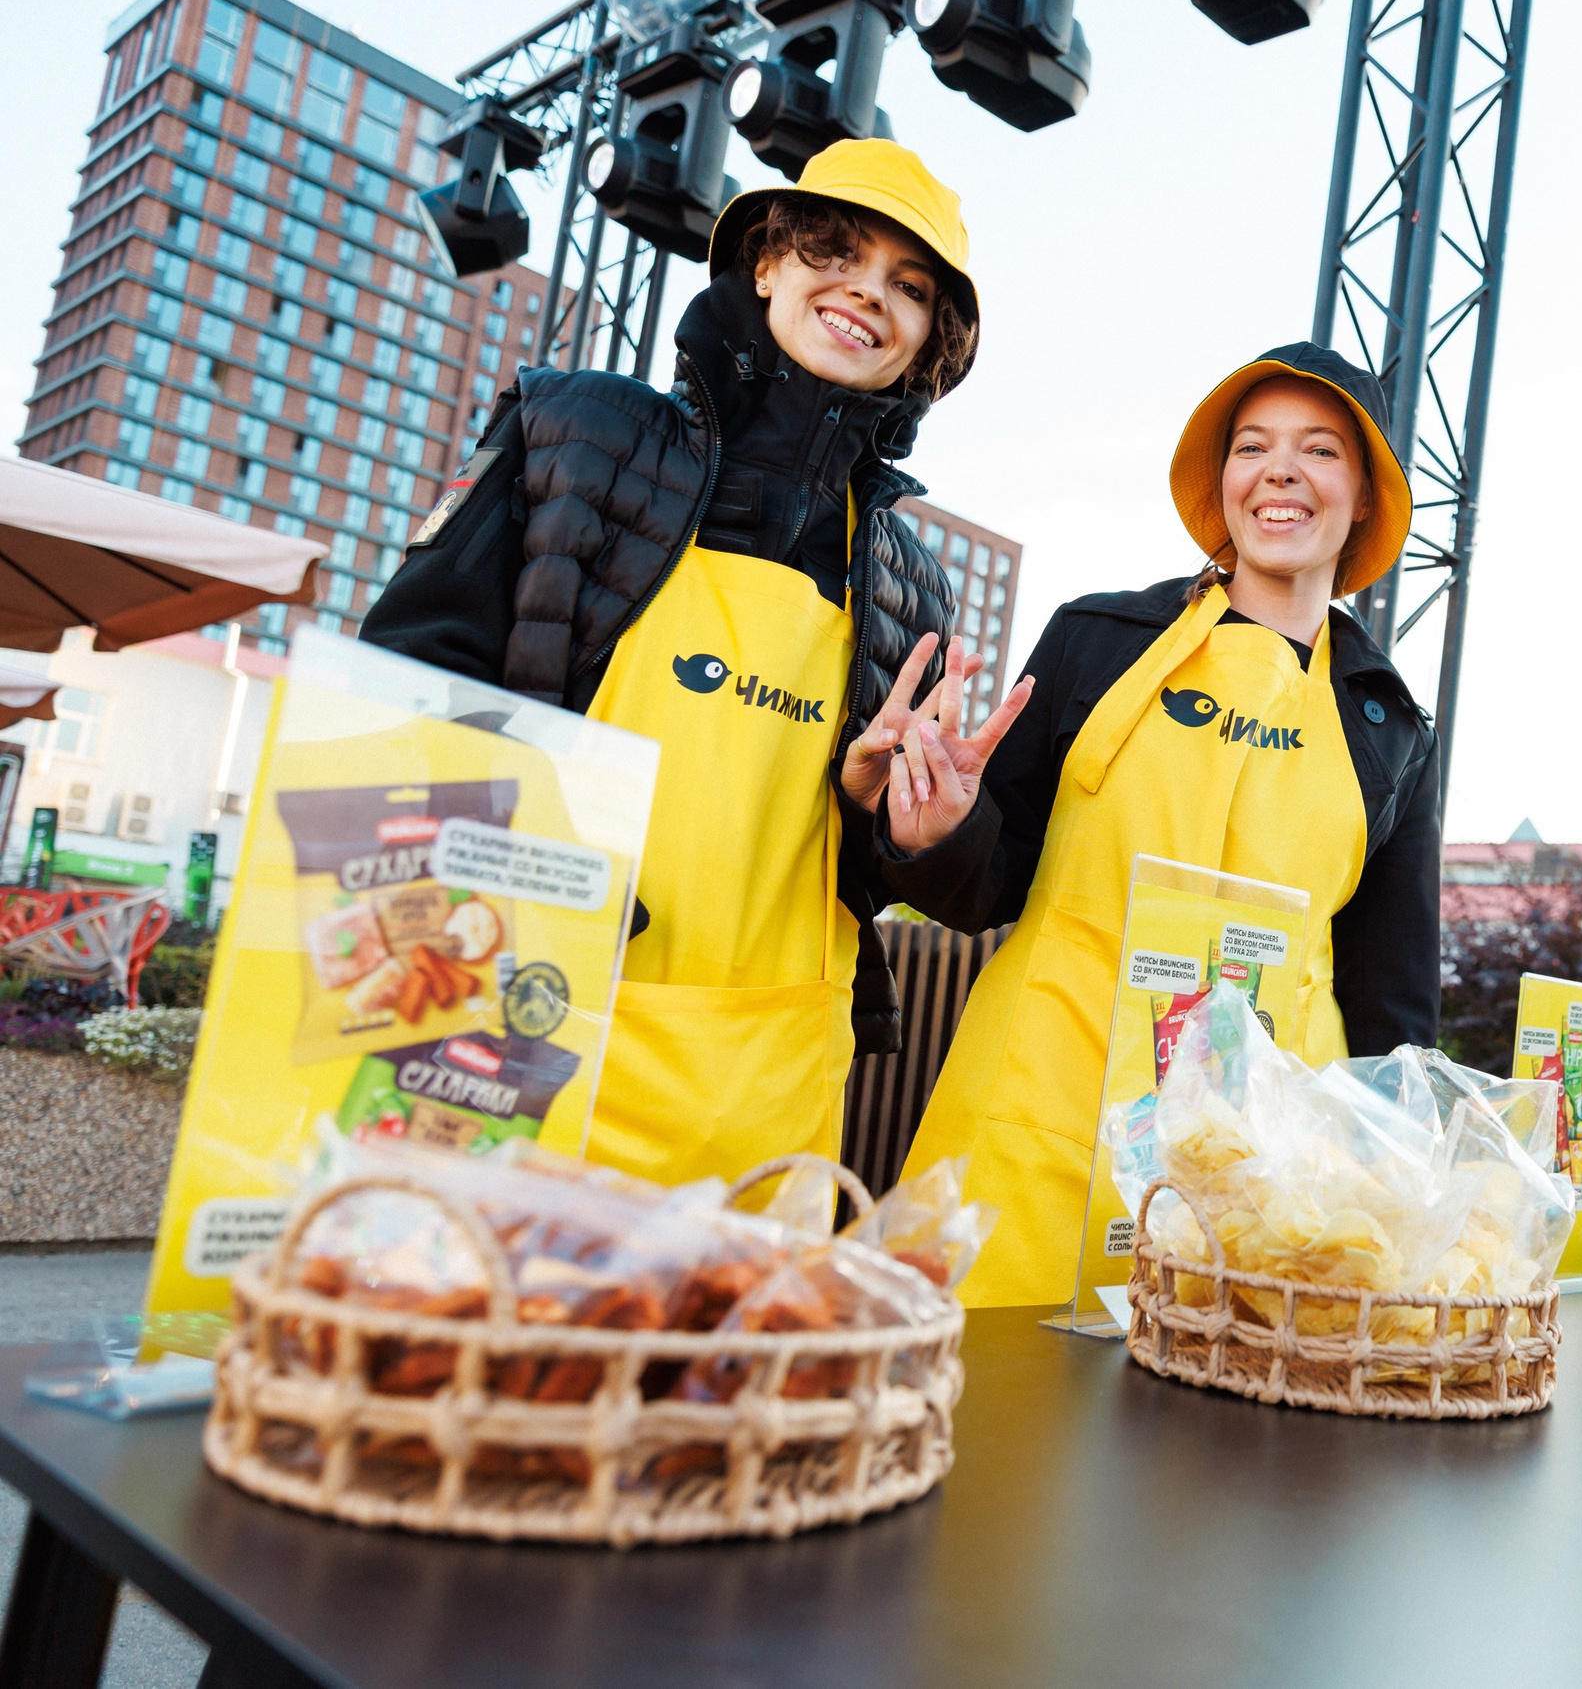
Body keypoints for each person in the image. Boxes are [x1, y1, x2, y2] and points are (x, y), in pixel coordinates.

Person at [363, 139, 1012, 1186]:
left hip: (773, 1084)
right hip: (527, 1021)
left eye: (909, 287)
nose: (865, 295)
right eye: (833, 253)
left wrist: (893, 821)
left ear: (929, 338)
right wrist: (527, 891)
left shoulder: (912, 586)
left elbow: (867, 876)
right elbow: (411, 681)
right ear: (764, 263)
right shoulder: (573, 434)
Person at [865, 344, 1442, 1306]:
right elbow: (986, 883)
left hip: (1268, 1173)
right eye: (1252, 445)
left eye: (1321, 449)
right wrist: (939, 832)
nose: (1281, 470)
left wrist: (1384, 1196)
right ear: (1224, 483)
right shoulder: (1095, 639)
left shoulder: (1390, 727)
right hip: (1038, 1110)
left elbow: (1392, 1000)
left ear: (1367, 498)